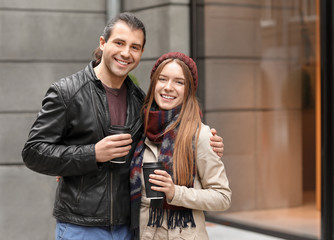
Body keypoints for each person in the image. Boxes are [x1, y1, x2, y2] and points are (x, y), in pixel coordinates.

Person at [22, 12, 224, 240]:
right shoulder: (67, 92)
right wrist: (92, 154)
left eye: (135, 47)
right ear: (102, 43)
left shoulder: (141, 101)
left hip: (130, 226)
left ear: (141, 54)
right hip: (82, 226)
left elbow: (167, 134)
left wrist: (207, 141)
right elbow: (33, 152)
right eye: (119, 43)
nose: (126, 53)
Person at [129, 52, 231, 240]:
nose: (168, 87)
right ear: (154, 84)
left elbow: (222, 197)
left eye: (179, 82)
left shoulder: (200, 135)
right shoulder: (138, 129)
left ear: (188, 90)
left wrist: (175, 192)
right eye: (163, 79)